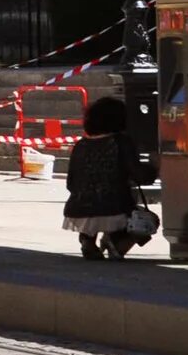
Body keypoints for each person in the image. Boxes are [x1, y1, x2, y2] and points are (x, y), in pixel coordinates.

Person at [59, 93, 149, 259]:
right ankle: (116, 242)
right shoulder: (121, 142)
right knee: (149, 220)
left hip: (77, 211)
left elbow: (70, 184)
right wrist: (157, 166)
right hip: (115, 209)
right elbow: (141, 176)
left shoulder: (80, 145)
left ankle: (88, 239)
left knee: (94, 208)